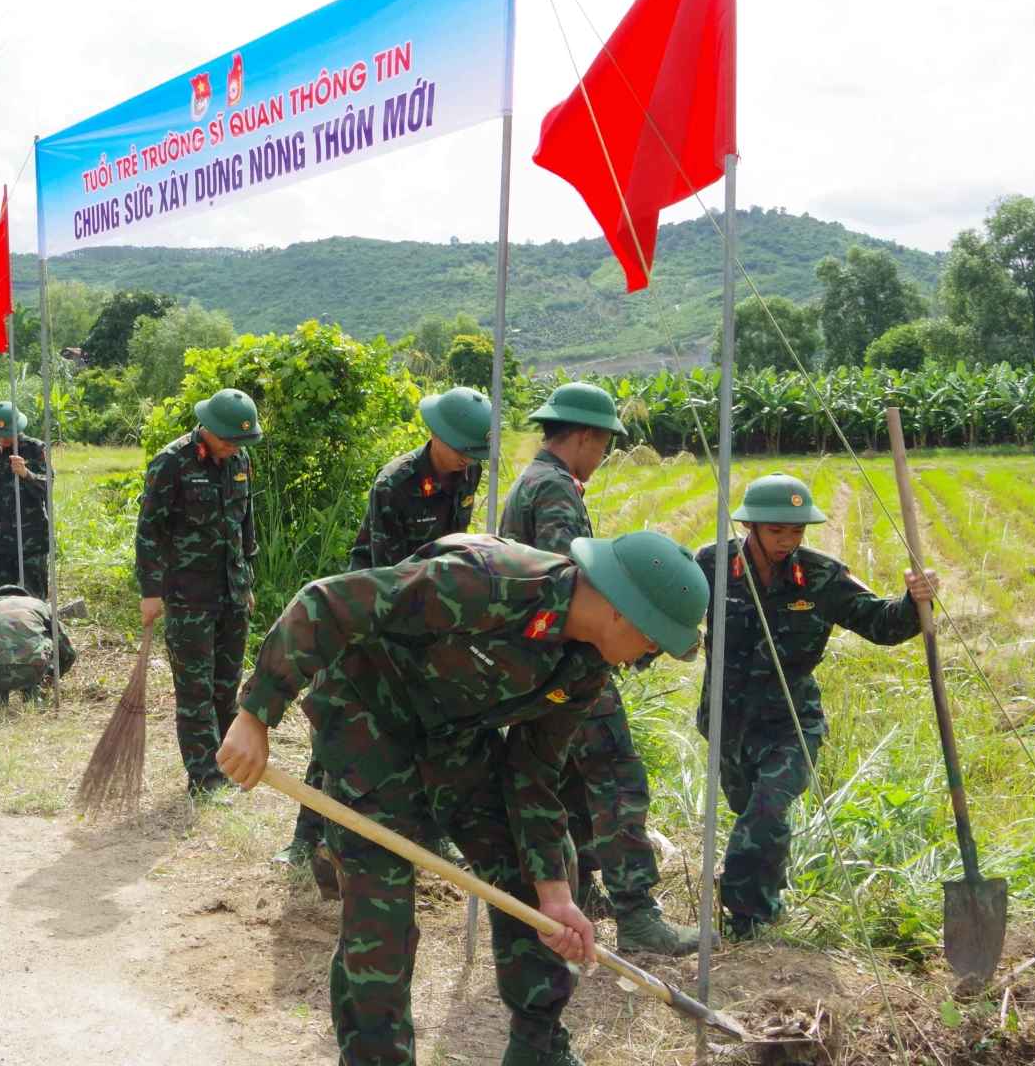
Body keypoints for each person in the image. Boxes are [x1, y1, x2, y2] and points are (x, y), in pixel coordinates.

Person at [216, 530, 710, 1066]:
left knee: (542, 871)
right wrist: (256, 713)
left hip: (454, 737)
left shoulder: (590, 665)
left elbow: (534, 767)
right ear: (623, 613)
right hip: (369, 722)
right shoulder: (490, 582)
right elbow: (329, 601)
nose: (652, 654)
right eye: (654, 640)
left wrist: (553, 892)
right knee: (380, 915)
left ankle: (537, 1049)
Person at [500, 382, 697, 957]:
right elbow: (572, 581)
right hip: (567, 659)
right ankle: (638, 912)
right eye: (605, 442)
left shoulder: (533, 479)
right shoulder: (557, 488)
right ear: (585, 435)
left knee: (569, 782)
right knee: (615, 775)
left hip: (538, 661)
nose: (606, 453)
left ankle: (583, 892)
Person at [698, 472, 935, 939]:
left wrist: (913, 600)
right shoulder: (711, 565)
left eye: (797, 531)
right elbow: (665, 611)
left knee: (767, 810)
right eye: (776, 531)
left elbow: (882, 625)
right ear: (751, 527)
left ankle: (748, 920)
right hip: (728, 722)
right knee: (748, 810)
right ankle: (767, 893)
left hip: (790, 723)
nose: (787, 541)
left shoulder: (822, 575)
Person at [278, 385, 490, 870]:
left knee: (434, 731)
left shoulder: (468, 471)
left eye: (475, 452)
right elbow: (384, 572)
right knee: (339, 725)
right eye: (462, 448)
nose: (467, 460)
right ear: (436, 435)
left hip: (435, 618)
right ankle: (306, 838)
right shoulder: (395, 482)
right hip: (372, 614)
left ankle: (433, 834)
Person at [137, 387, 261, 797]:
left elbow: (245, 527)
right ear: (207, 427)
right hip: (188, 597)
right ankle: (204, 778)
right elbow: (148, 531)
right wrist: (150, 592)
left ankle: (231, 765)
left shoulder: (239, 459)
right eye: (227, 439)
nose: (233, 447)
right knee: (195, 690)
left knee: (227, 687)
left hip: (231, 595)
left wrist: (246, 582)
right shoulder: (172, 462)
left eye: (240, 441)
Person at [0, 400, 49, 597]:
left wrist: (26, 473)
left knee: (34, 600)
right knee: (2, 600)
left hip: (29, 542)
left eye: (7, 433)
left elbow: (46, 486)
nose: (2, 438)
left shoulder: (35, 449)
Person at [0, 584, 77, 706]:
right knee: (44, 639)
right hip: (32, 670)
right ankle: (33, 694)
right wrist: (54, 674)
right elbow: (68, 648)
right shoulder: (39, 606)